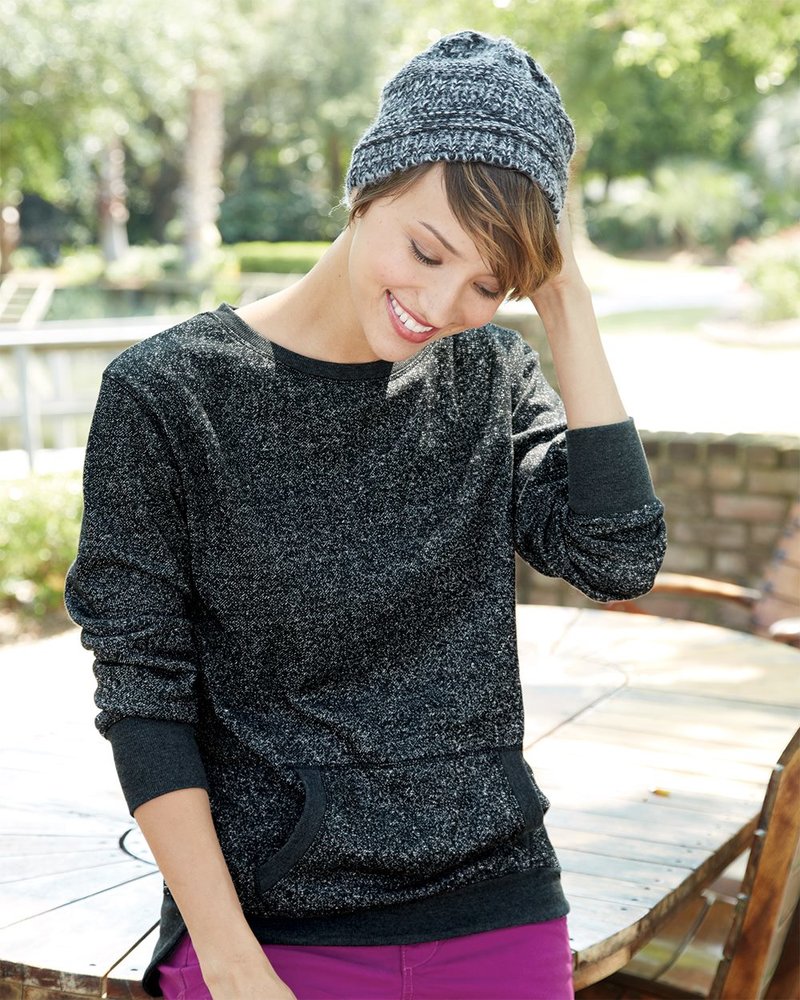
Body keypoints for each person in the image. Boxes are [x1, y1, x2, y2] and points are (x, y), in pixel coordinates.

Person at [64, 29, 666, 1000]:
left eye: (489, 284)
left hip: (493, 911)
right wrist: (230, 961)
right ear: (366, 189)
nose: (441, 302)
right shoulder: (168, 397)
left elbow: (617, 555)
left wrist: (565, 307)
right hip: (263, 934)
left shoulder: (490, 378)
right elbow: (145, 696)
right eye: (426, 250)